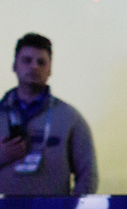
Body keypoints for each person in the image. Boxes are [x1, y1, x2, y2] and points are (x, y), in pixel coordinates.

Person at [0, 33, 97, 196]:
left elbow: (88, 175)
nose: (34, 67)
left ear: (50, 69)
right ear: (14, 65)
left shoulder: (70, 118)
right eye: (27, 60)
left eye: (41, 62)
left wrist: (71, 208)